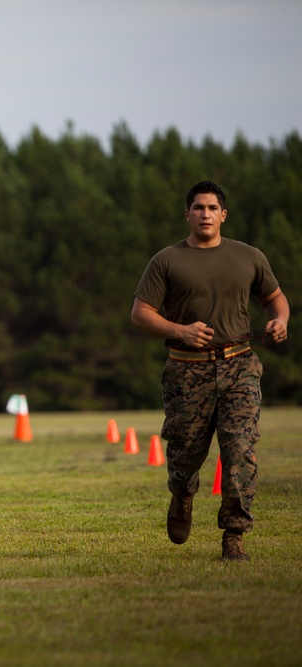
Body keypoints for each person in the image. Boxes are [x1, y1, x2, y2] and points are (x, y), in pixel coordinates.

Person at [131, 181, 289, 561]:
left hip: (240, 366)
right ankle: (182, 495)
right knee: (186, 454)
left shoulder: (248, 256)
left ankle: (234, 535)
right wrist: (179, 330)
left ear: (223, 215)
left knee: (240, 450)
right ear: (187, 214)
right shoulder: (166, 260)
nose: (205, 214)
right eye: (198, 208)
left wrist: (280, 320)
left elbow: (275, 299)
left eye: (212, 207)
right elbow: (140, 313)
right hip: (188, 372)